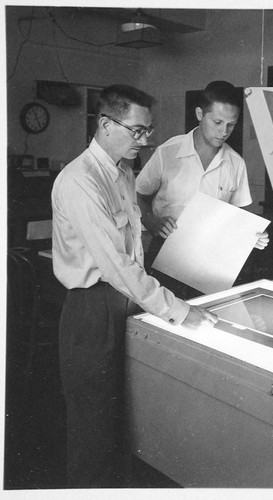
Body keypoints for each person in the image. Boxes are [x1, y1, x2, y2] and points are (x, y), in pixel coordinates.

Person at [51, 84, 217, 488]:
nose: (147, 139)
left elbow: (133, 249)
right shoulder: (80, 181)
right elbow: (117, 266)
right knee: (93, 432)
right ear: (106, 125)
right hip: (93, 312)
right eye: (138, 131)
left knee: (123, 424)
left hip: (128, 303)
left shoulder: (124, 172)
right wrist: (179, 310)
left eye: (149, 130)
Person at [136, 80, 269, 297]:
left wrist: (250, 235)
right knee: (163, 318)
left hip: (212, 258)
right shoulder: (168, 152)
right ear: (199, 114)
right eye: (217, 122)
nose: (223, 131)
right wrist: (153, 222)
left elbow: (240, 215)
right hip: (166, 250)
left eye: (231, 124)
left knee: (204, 317)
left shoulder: (236, 163)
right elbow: (137, 194)